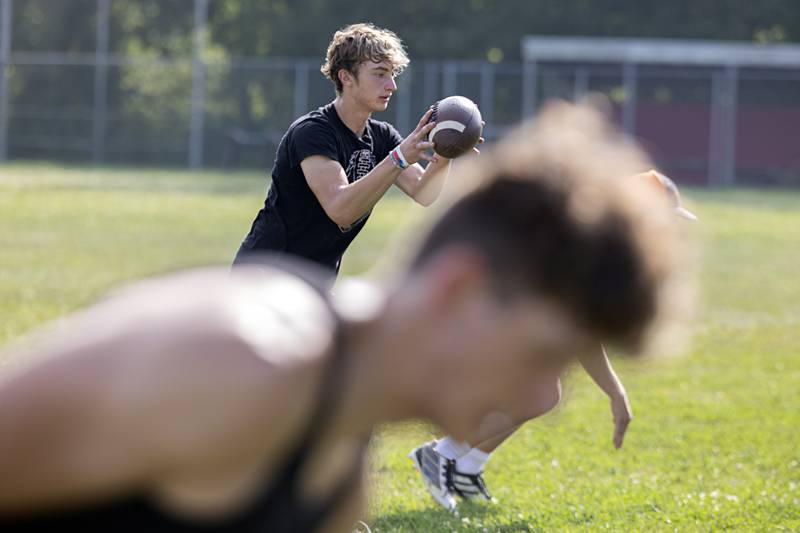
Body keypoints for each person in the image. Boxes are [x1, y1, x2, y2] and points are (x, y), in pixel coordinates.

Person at [0, 102, 685, 532]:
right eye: (540, 353)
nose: (544, 396)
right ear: (460, 290)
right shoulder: (240, 355)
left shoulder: (339, 474)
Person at [408, 167, 696, 510]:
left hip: (492, 299)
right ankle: (442, 454)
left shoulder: (599, 233)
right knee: (538, 393)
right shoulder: (598, 244)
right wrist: (616, 394)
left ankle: (467, 466)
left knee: (543, 393)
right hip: (485, 302)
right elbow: (584, 338)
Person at [233, 22, 477, 276]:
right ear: (346, 76)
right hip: (263, 277)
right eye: (380, 73)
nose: (391, 85)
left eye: (392, 74)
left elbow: (424, 191)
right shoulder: (313, 131)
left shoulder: (381, 136)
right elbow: (341, 210)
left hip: (313, 280)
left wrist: (446, 150)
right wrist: (399, 157)